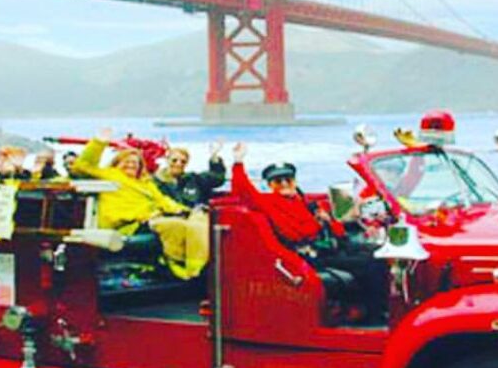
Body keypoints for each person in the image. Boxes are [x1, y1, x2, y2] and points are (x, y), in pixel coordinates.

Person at [230, 143, 387, 323]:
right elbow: (243, 191)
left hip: (328, 249)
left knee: (377, 254)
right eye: (278, 182)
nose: (284, 184)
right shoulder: (268, 203)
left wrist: (327, 221)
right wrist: (238, 161)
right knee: (368, 265)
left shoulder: (307, 203)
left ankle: (380, 307)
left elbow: (338, 231)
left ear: (294, 181)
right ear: (270, 185)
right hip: (305, 257)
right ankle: (374, 314)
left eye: (288, 180)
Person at [72, 128, 210, 280]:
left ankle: (198, 265)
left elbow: (164, 201)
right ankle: (176, 264)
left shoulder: (145, 183)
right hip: (130, 224)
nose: (131, 165)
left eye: (135, 163)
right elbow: (82, 165)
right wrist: (99, 142)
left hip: (153, 218)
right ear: (117, 163)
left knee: (197, 222)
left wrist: (188, 211)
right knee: (174, 226)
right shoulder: (108, 175)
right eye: (127, 162)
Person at [154, 143, 226, 209]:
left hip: (193, 219)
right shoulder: (155, 182)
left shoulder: (193, 179)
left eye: (183, 161)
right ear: (167, 160)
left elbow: (217, 179)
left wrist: (214, 157)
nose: (179, 164)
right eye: (174, 160)